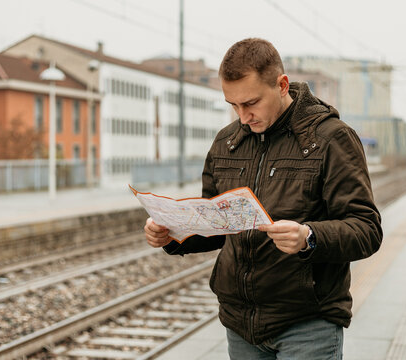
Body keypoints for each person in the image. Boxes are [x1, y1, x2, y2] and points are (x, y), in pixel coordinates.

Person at [144, 38, 382, 360]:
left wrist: (308, 237)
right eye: (233, 105)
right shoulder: (227, 143)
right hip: (240, 326)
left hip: (307, 324)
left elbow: (366, 229)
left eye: (251, 103)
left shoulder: (331, 139)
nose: (243, 117)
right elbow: (215, 224)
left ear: (282, 85)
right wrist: (172, 234)